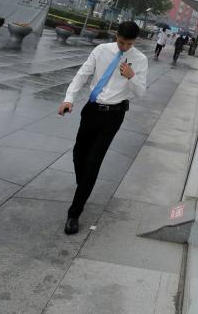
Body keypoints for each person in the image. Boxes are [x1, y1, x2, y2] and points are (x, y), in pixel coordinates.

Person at [58, 20, 147, 234]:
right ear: (116, 35)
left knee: (93, 161)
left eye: (128, 44)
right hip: (91, 110)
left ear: (135, 41)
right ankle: (85, 186)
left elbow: (141, 92)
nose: (123, 47)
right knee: (79, 153)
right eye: (121, 41)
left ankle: (74, 213)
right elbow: (82, 74)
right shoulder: (101, 50)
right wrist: (68, 98)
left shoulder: (140, 60)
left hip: (114, 115)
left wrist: (132, 77)